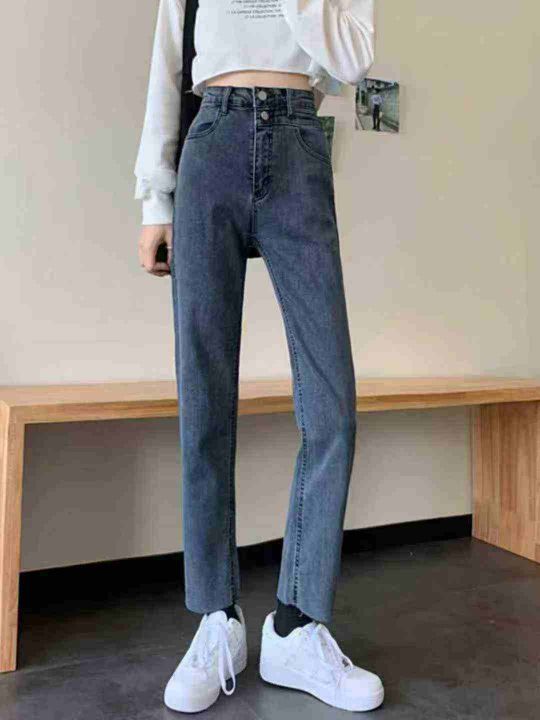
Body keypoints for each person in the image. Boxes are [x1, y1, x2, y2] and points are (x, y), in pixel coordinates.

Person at [134, 0, 383, 713]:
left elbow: (353, 57)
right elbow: (168, 64)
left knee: (331, 405)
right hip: (210, 140)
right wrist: (155, 203)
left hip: (300, 144)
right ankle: (217, 620)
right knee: (204, 398)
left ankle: (296, 627)